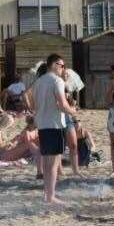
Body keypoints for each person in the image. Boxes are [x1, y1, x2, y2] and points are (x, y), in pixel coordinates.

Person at [28, 53, 77, 205]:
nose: (63, 69)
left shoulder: (38, 82)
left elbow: (35, 104)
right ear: (54, 65)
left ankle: (47, 195)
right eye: (62, 66)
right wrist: (73, 110)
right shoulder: (57, 81)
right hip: (54, 124)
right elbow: (62, 104)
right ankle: (51, 196)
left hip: (42, 125)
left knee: (47, 163)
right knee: (53, 163)